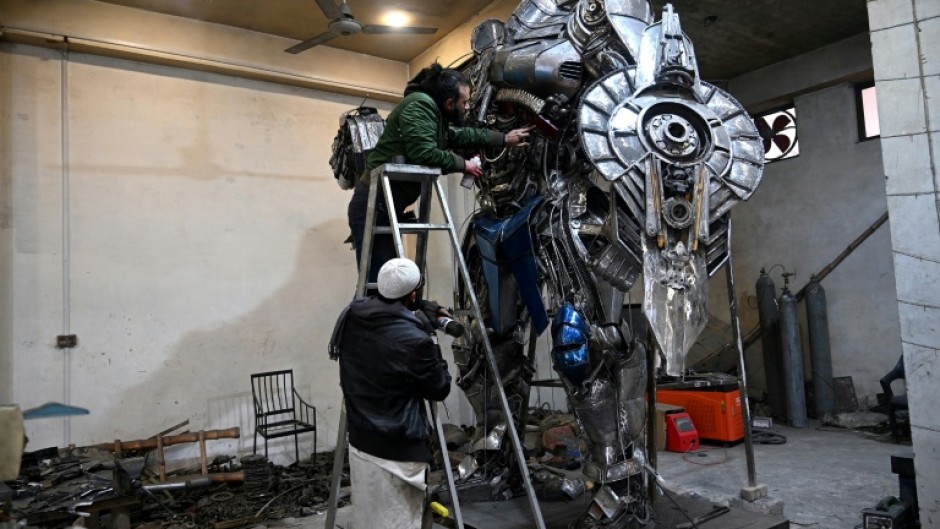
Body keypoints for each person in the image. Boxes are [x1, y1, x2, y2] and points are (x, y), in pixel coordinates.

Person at [347, 63, 533, 284]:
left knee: (390, 281)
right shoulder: (419, 106)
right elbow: (424, 153)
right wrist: (464, 165)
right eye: (464, 102)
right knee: (382, 283)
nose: (467, 107)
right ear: (449, 103)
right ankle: (377, 318)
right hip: (373, 204)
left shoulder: (435, 117)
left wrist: (504, 138)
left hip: (386, 206)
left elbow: (461, 135)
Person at [329, 258, 452, 529]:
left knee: (371, 518)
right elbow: (440, 387)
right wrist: (431, 338)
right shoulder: (413, 340)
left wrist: (418, 310)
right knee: (399, 520)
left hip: (362, 440)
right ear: (413, 293)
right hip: (397, 448)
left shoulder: (352, 315)